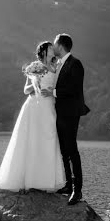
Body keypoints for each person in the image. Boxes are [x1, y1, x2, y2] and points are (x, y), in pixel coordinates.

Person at [0, 41, 66, 192]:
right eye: (49, 48)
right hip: (34, 107)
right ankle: (29, 179)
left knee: (48, 139)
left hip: (49, 106)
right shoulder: (34, 67)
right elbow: (26, 90)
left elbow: (58, 87)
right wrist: (37, 83)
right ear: (43, 52)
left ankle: (46, 180)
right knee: (31, 140)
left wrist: (51, 89)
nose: (52, 50)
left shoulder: (57, 66)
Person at [45, 33, 90, 205]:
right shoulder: (60, 64)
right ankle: (68, 186)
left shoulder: (75, 64)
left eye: (55, 45)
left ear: (61, 46)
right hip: (60, 112)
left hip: (71, 113)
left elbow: (73, 89)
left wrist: (52, 93)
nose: (53, 47)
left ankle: (77, 191)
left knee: (72, 150)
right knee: (64, 150)